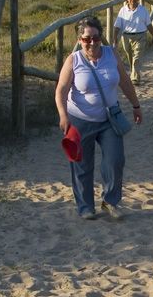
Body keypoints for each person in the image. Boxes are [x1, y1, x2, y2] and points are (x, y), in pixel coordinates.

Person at [54, 16, 142, 220]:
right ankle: (85, 206)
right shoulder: (73, 60)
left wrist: (136, 106)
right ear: (79, 40)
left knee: (115, 160)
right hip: (79, 120)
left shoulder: (112, 55)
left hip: (109, 119)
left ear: (101, 37)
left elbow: (125, 82)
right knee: (82, 165)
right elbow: (61, 90)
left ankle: (110, 201)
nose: (92, 42)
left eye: (96, 37)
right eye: (86, 39)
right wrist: (63, 116)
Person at [112, 0, 153, 83]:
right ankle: (133, 73)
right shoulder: (123, 10)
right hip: (126, 37)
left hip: (141, 36)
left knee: (137, 57)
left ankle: (135, 78)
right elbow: (117, 26)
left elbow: (149, 24)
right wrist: (115, 39)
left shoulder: (143, 10)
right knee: (130, 56)